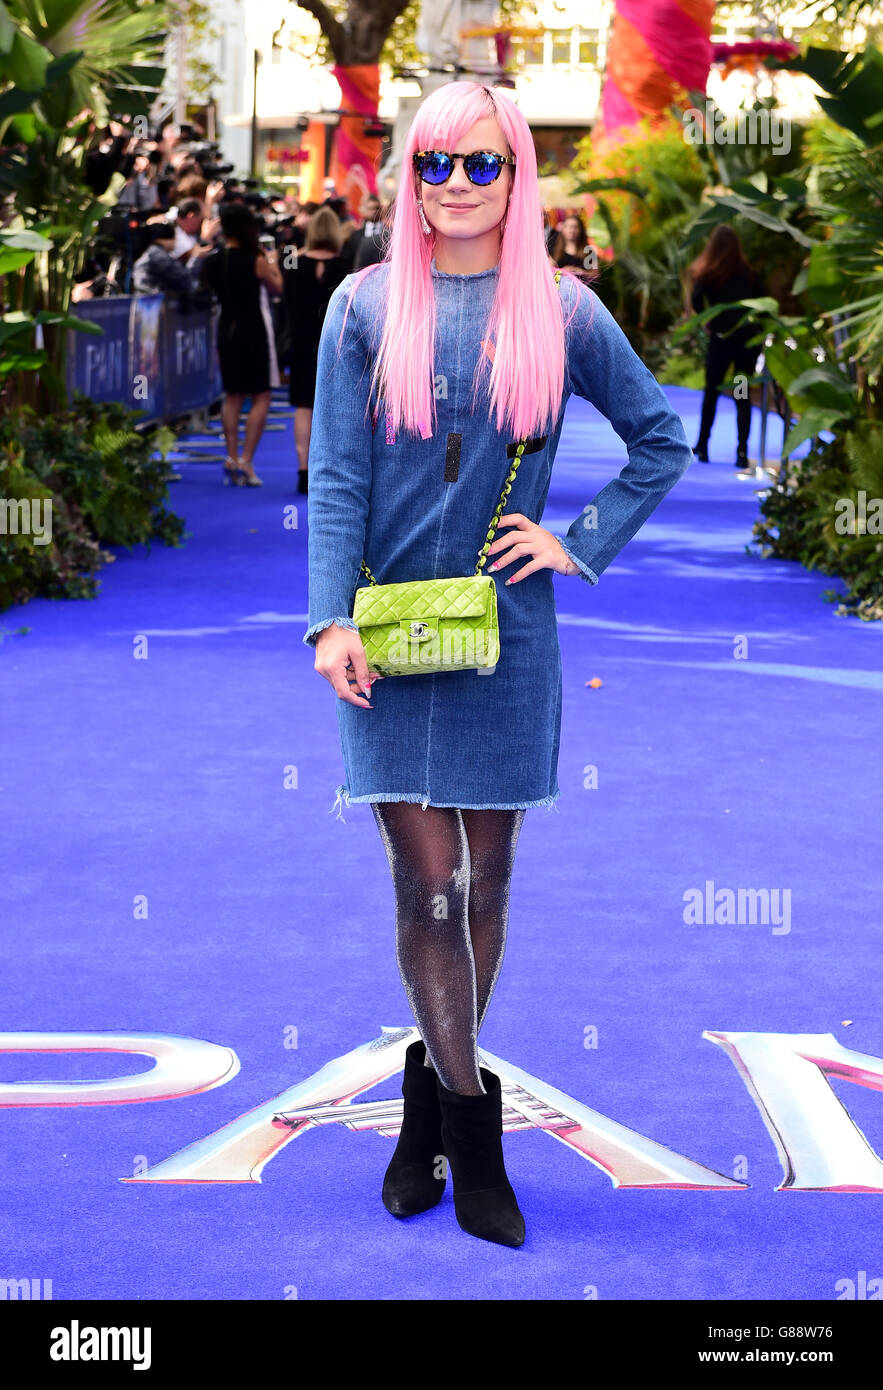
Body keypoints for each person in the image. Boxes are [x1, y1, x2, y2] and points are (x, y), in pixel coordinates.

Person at [303, 81, 693, 1249]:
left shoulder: (564, 311)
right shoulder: (363, 308)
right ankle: (474, 1130)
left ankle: (429, 1089)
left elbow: (659, 439)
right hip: (387, 633)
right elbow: (336, 480)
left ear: (518, 177)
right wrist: (331, 621)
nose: (458, 186)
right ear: (406, 179)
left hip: (508, 636)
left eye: (483, 165)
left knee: (488, 879)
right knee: (428, 884)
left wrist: (580, 543)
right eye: (435, 165)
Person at [200, 202, 283, 486]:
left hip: (226, 330)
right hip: (254, 331)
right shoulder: (255, 258)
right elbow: (277, 288)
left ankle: (231, 456)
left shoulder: (213, 260)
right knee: (261, 395)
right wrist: (272, 262)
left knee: (232, 395)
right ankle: (246, 459)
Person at [282, 206, 348, 494]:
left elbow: (284, 299)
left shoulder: (293, 264)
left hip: (301, 342)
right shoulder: (345, 264)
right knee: (335, 408)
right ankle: (331, 471)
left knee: (304, 408)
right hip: (337, 342)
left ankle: (302, 469)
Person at [688, 225, 765, 468]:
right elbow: (761, 305)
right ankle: (741, 452)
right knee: (742, 396)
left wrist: (708, 322)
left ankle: (703, 445)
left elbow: (696, 300)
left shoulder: (709, 273)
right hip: (745, 342)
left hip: (721, 340)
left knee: (712, 392)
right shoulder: (750, 274)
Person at [131, 222, 209, 297]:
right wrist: (196, 257)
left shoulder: (151, 253)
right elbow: (185, 281)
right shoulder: (157, 255)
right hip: (155, 302)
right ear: (162, 239)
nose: (175, 241)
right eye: (174, 238)